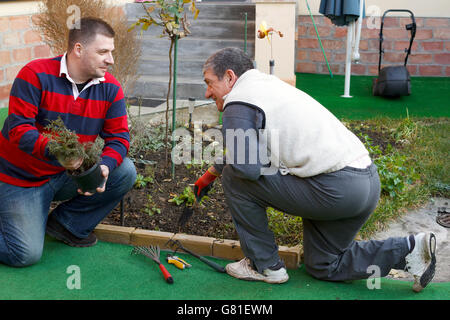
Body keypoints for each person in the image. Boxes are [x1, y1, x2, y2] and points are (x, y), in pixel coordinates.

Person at [194, 47, 436, 292]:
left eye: (209, 83)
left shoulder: (238, 100)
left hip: (333, 189)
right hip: (365, 182)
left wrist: (223, 173)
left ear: (230, 76)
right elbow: (252, 150)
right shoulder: (267, 87)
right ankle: (411, 250)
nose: (207, 92)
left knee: (235, 179)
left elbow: (247, 169)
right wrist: (211, 172)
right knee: (324, 264)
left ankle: (264, 265)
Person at [0, 17, 136, 267]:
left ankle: (66, 225)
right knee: (24, 254)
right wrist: (61, 153)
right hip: (20, 179)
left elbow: (119, 137)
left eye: (111, 52)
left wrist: (104, 166)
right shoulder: (35, 74)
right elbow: (19, 130)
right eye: (103, 52)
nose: (111, 60)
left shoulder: (110, 88)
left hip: (66, 175)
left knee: (124, 171)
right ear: (78, 50)